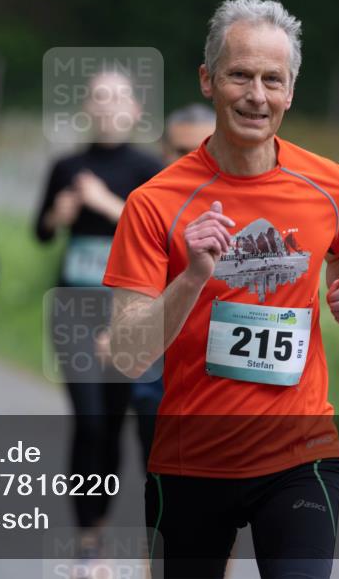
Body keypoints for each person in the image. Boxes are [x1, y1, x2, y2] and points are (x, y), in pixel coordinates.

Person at [103, 0, 339, 579]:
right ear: (208, 80)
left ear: (291, 90)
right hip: (191, 461)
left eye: (272, 80)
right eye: (240, 76)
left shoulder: (331, 185)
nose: (257, 96)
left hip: (300, 455)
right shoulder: (155, 203)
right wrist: (194, 276)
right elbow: (129, 354)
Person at [34, 70, 162, 558]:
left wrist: (107, 204)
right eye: (98, 98)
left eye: (118, 98)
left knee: (129, 420)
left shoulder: (148, 168)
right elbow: (42, 232)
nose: (107, 107)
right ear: (85, 108)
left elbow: (158, 236)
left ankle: (159, 533)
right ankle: (90, 538)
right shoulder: (66, 165)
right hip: (74, 309)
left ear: (135, 111)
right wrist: (60, 214)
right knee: (90, 421)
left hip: (129, 308)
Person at [130, 102, 218, 467]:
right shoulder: (146, 210)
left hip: (216, 382)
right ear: (163, 152)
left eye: (203, 150)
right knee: (161, 475)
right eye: (181, 151)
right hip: (156, 379)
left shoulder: (241, 208)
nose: (192, 161)